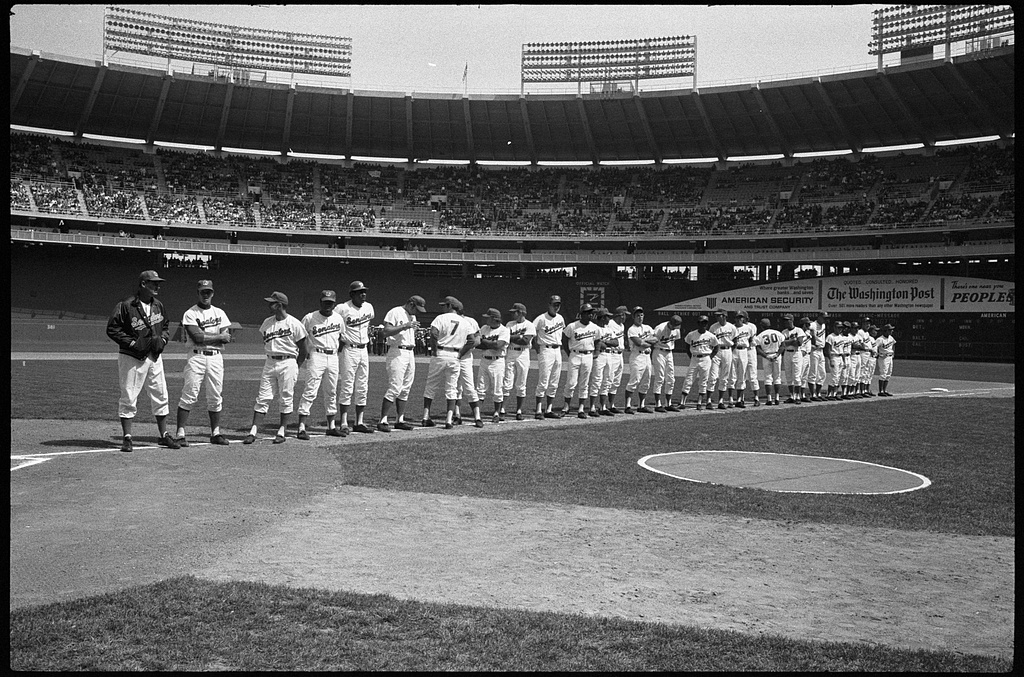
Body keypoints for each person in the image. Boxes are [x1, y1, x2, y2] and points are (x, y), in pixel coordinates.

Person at [106, 269, 177, 453]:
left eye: (158, 283)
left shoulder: (158, 306)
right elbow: (113, 328)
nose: (157, 286)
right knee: (129, 396)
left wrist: (163, 340)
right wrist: (132, 343)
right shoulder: (126, 305)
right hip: (132, 357)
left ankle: (164, 435)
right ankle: (127, 437)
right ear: (143, 284)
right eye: (153, 283)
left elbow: (166, 326)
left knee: (161, 395)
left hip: (154, 356)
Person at [173, 279, 233, 447]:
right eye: (203, 292)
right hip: (197, 357)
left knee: (215, 395)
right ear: (198, 293)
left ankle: (215, 433)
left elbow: (226, 338)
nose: (206, 295)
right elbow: (197, 337)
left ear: (212, 293)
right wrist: (217, 337)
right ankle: (180, 433)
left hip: (215, 358)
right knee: (190, 393)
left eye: (209, 292)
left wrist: (211, 337)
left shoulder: (220, 312)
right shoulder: (191, 313)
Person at [244, 291, 308, 445]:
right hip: (270, 362)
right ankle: (253, 430)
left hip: (288, 362)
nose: (269, 305)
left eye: (272, 303)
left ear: (279, 305)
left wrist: (296, 366)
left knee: (286, 397)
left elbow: (304, 349)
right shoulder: (267, 322)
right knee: (263, 397)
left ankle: (282, 431)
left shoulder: (294, 323)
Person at [296, 290, 345, 440]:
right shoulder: (310, 317)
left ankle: (331, 426)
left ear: (334, 304)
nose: (327, 305)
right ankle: (301, 427)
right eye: (325, 302)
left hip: (333, 356)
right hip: (317, 355)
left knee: (331, 391)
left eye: (330, 303)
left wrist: (337, 353)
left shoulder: (338, 318)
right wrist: (306, 352)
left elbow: (341, 339)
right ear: (320, 302)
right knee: (310, 390)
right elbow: (300, 337)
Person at [421, 297, 475, 428]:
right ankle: (449, 419)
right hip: (455, 355)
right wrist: (461, 353)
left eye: (444, 305)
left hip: (440, 353)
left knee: (431, 385)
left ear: (450, 305)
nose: (442, 307)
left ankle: (425, 416)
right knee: (452, 387)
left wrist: (433, 349)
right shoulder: (464, 321)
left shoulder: (441, 318)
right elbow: (472, 340)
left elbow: (433, 333)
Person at [378, 295, 426, 432]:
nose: (416, 312)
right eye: (416, 308)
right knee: (395, 387)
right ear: (411, 304)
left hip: (410, 351)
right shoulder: (395, 312)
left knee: (406, 388)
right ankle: (383, 420)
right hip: (397, 351)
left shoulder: (412, 316)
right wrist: (405, 326)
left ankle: (400, 419)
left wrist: (412, 329)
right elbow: (385, 332)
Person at [337, 280, 375, 433]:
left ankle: (359, 421)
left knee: (362, 386)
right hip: (349, 349)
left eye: (364, 291)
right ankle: (344, 422)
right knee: (347, 386)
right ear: (352, 294)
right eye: (360, 292)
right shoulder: (342, 308)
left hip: (363, 350)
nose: (363, 294)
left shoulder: (369, 307)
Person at [560, 303, 599, 419]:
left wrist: (596, 353)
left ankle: (581, 408)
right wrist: (569, 353)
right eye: (587, 312)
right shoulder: (572, 326)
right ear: (581, 314)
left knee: (584, 383)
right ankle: (566, 407)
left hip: (588, 355)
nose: (590, 315)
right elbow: (564, 339)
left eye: (591, 312)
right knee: (571, 382)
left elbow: (598, 341)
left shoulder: (595, 328)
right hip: (575, 354)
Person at [532, 295, 566, 420]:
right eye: (554, 304)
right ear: (549, 305)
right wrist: (537, 349)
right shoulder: (541, 318)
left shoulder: (560, 318)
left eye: (558, 304)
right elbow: (531, 331)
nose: (556, 307)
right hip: (545, 350)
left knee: (554, 382)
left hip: (557, 350)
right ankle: (538, 410)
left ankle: (549, 409)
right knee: (543, 381)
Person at [501, 302, 536, 421]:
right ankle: (502, 409)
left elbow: (526, 341)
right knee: (507, 381)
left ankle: (519, 411)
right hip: (510, 352)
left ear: (521, 313)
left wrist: (514, 338)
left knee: (521, 383)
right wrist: (519, 337)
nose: (512, 314)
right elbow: (506, 338)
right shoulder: (509, 324)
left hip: (523, 354)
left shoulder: (529, 325)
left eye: (514, 312)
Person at [477, 308, 510, 424]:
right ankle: (478, 414)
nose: (486, 319)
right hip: (484, 360)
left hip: (497, 362)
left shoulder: (504, 330)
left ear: (494, 319)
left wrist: (485, 342)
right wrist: (489, 344)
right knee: (480, 388)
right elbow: (478, 344)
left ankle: (496, 413)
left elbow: (498, 345)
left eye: (488, 317)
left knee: (497, 389)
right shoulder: (484, 328)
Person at [453, 302, 484, 427]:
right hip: (453, 355)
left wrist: (466, 348)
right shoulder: (449, 319)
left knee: (469, 386)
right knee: (455, 387)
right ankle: (457, 415)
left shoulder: (470, 321)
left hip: (465, 356)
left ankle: (477, 416)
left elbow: (477, 338)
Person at [623, 306, 657, 414]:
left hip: (647, 356)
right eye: (637, 315)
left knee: (646, 382)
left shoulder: (648, 327)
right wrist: (647, 341)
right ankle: (627, 406)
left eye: (641, 315)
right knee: (634, 380)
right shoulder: (631, 329)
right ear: (633, 317)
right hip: (637, 357)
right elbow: (639, 343)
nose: (640, 317)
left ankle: (641, 405)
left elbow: (656, 339)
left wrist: (645, 340)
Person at [681, 315, 717, 410]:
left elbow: (716, 347)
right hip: (694, 358)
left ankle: (699, 402)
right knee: (688, 379)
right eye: (701, 323)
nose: (703, 325)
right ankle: (682, 402)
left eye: (705, 323)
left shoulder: (711, 336)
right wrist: (692, 357)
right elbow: (687, 347)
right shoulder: (691, 334)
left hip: (706, 358)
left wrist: (710, 357)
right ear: (698, 323)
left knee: (703, 381)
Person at [650, 315, 683, 412]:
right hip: (659, 351)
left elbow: (674, 340)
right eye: (674, 326)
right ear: (670, 323)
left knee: (671, 378)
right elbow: (653, 341)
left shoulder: (676, 330)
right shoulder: (660, 328)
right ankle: (658, 404)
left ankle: (668, 403)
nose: (675, 328)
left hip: (669, 352)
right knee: (659, 378)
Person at [707, 309, 736, 409]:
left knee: (724, 377)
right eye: (716, 315)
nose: (717, 317)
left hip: (727, 351)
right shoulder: (713, 327)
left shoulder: (731, 327)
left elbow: (735, 341)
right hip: (717, 351)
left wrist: (731, 351)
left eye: (719, 315)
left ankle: (720, 401)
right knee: (713, 376)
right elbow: (709, 341)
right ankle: (708, 401)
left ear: (724, 316)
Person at [588, 308, 614, 416]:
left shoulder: (609, 329)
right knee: (596, 381)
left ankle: (603, 407)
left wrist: (605, 342)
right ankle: (592, 407)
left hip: (609, 355)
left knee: (607, 381)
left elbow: (616, 342)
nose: (609, 318)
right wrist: (606, 343)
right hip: (599, 355)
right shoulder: (594, 328)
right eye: (607, 316)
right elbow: (599, 344)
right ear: (603, 317)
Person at [754, 318, 785, 405]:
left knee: (768, 378)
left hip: (766, 355)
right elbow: (783, 346)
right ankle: (777, 398)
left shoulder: (760, 335)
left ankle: (769, 398)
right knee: (777, 377)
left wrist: (766, 356)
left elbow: (758, 349)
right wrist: (777, 354)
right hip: (776, 355)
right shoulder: (778, 333)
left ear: (761, 326)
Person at [603, 306, 629, 413]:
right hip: (612, 354)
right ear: (620, 315)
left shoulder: (622, 326)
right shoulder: (610, 324)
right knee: (608, 379)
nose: (626, 317)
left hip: (620, 355)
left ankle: (611, 405)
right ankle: (603, 406)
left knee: (616, 381)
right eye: (624, 314)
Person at [729, 309, 756, 408]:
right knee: (732, 376)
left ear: (743, 318)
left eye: (741, 317)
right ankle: (731, 399)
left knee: (742, 376)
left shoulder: (748, 328)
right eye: (737, 317)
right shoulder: (731, 328)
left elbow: (751, 339)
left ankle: (740, 400)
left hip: (744, 351)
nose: (739, 319)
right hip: (734, 351)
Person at [780, 314, 806, 404]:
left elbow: (799, 342)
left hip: (796, 353)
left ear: (792, 320)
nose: (786, 322)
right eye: (785, 320)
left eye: (787, 320)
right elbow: (782, 344)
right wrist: (792, 341)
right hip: (787, 353)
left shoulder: (799, 330)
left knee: (797, 376)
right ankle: (791, 396)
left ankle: (797, 396)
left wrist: (788, 342)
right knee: (788, 376)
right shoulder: (784, 331)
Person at [807, 310, 830, 401]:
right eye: (824, 318)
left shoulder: (823, 325)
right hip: (814, 351)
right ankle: (813, 394)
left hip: (821, 351)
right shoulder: (812, 325)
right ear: (819, 317)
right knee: (813, 373)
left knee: (822, 373)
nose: (825, 320)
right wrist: (811, 345)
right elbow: (807, 336)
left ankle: (818, 393)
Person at [823, 319, 847, 400]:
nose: (840, 329)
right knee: (834, 377)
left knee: (839, 377)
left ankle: (835, 394)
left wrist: (844, 361)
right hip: (834, 357)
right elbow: (827, 349)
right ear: (834, 327)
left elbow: (842, 350)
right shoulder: (830, 336)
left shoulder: (841, 337)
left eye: (841, 328)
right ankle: (829, 394)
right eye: (838, 327)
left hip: (840, 357)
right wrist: (830, 360)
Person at [875, 324, 896, 396]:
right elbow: (875, 348)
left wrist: (893, 353)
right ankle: (880, 391)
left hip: (890, 357)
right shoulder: (880, 339)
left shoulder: (891, 338)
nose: (891, 331)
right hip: (883, 358)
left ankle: (885, 390)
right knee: (883, 373)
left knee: (888, 374)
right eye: (890, 330)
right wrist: (878, 354)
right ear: (886, 331)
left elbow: (893, 345)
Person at [798, 316, 814, 402]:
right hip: (802, 356)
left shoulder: (808, 333)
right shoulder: (799, 333)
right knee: (800, 376)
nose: (809, 325)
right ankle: (797, 395)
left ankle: (803, 395)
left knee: (805, 376)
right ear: (803, 325)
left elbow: (810, 343)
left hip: (808, 356)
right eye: (807, 324)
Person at [862, 324, 880, 397]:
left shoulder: (873, 339)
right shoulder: (868, 338)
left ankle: (867, 389)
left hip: (873, 358)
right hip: (869, 357)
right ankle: (863, 390)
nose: (876, 332)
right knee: (866, 374)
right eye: (875, 330)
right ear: (871, 331)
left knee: (870, 374)